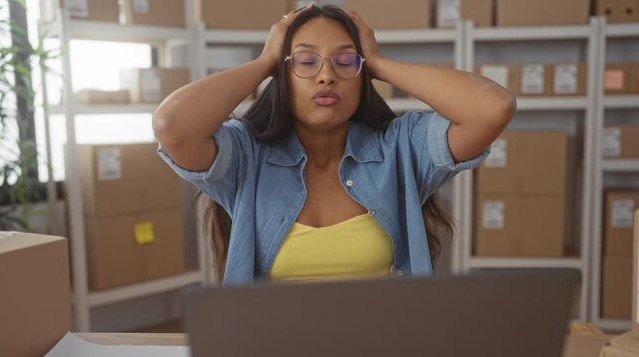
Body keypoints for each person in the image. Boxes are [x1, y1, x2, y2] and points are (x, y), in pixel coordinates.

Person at [153, 4, 515, 284]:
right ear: (283, 73)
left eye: (345, 61)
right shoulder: (248, 155)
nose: (326, 75)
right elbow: (173, 125)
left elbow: (492, 108)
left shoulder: (400, 148)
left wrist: (377, 62)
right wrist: (266, 62)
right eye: (306, 61)